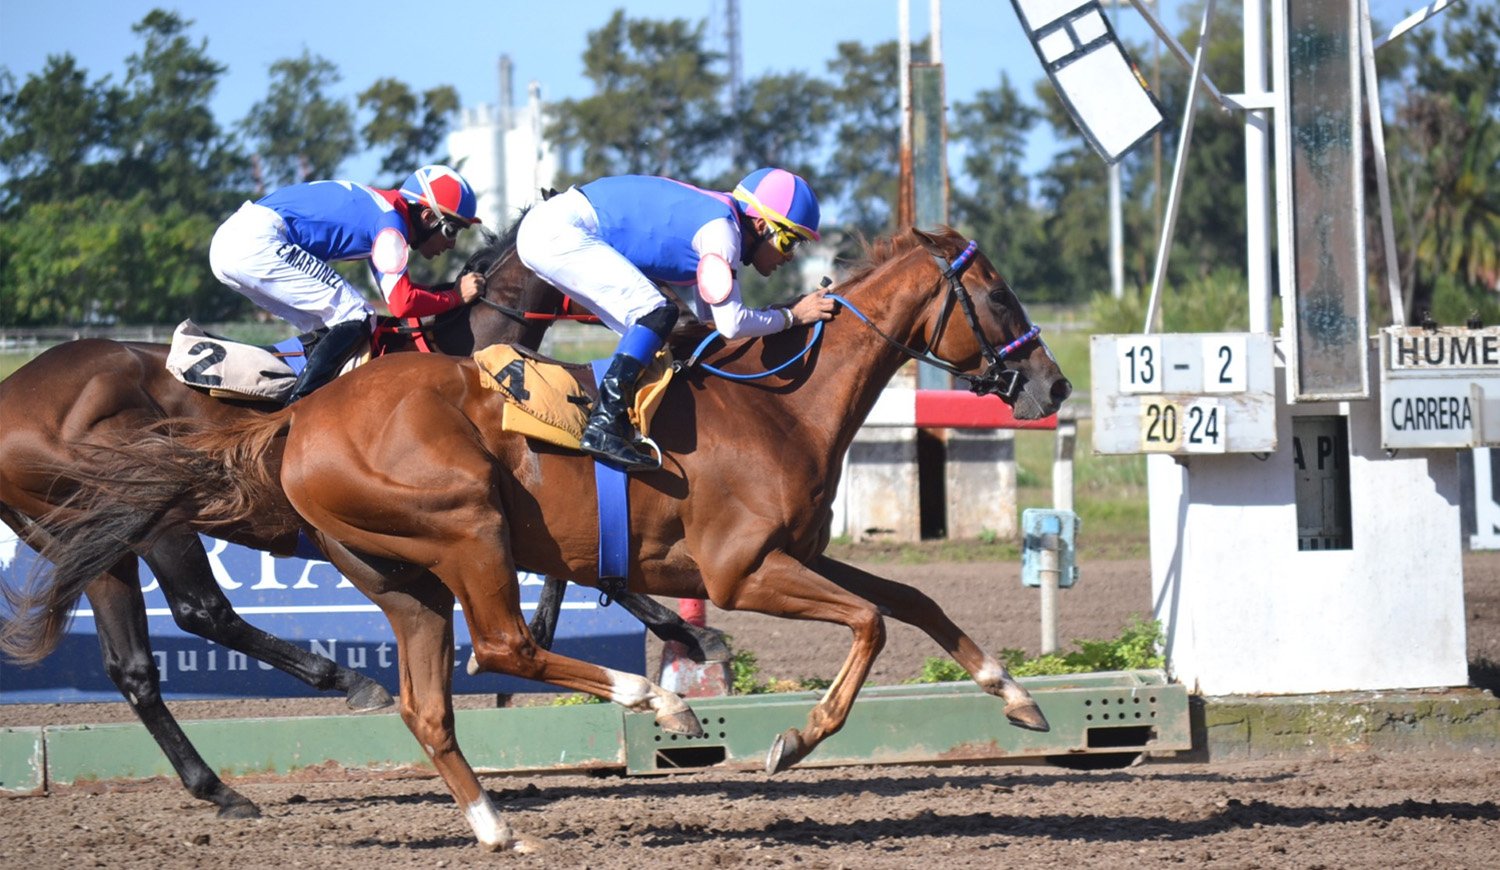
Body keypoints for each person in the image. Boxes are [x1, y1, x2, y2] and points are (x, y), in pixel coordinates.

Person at [517, 167, 837, 470]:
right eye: (789, 241)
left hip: (554, 230)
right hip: (560, 232)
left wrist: (779, 315)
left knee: (656, 328)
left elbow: (713, 325)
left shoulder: (720, 225)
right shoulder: (722, 232)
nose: (789, 256)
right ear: (761, 225)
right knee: (658, 312)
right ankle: (605, 423)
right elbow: (732, 324)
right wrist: (793, 316)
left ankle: (614, 418)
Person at [210, 164, 485, 403]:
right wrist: (456, 297)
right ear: (427, 217)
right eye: (452, 230)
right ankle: (301, 408)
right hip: (256, 241)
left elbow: (396, 295)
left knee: (327, 327)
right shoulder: (390, 224)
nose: (452, 244)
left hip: (236, 242)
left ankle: (288, 396)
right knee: (356, 314)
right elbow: (402, 303)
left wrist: (449, 294)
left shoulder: (384, 213)